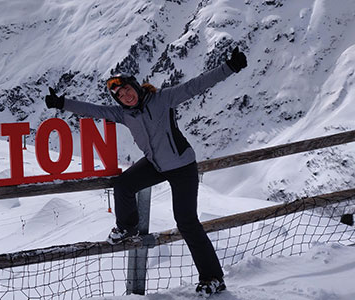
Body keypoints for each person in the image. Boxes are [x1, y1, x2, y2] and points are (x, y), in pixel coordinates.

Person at [44, 47, 247, 296]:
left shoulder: (163, 98)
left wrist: (229, 67)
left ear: (136, 86)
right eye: (120, 95)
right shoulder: (123, 114)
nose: (126, 96)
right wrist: (62, 103)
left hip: (182, 166)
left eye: (127, 89)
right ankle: (127, 226)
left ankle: (213, 278)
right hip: (155, 164)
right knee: (123, 184)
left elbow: (196, 85)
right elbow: (93, 110)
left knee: (186, 222)